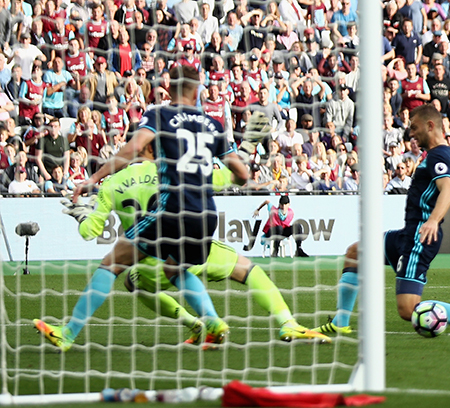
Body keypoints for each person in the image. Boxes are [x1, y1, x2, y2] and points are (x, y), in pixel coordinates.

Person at [33, 66, 248, 352]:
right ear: (197, 91)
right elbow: (242, 175)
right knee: (176, 269)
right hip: (205, 215)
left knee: (112, 263)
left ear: (169, 87)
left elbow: (132, 150)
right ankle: (213, 321)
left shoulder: (160, 115)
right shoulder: (213, 125)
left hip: (171, 208)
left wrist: (94, 178)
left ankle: (68, 333)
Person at [36, 144, 329, 348]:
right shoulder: (181, 170)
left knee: (131, 279)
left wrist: (82, 215)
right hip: (192, 247)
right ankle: (286, 321)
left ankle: (193, 322)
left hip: (148, 259)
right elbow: (232, 179)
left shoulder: (112, 184)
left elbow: (90, 232)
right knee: (248, 270)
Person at [312, 104, 450, 337]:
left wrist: (434, 219)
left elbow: (448, 190)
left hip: (421, 236)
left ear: (430, 126)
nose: (411, 134)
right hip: (408, 234)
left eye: (414, 128)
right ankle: (340, 321)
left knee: (408, 310)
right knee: (355, 253)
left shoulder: (439, 155)